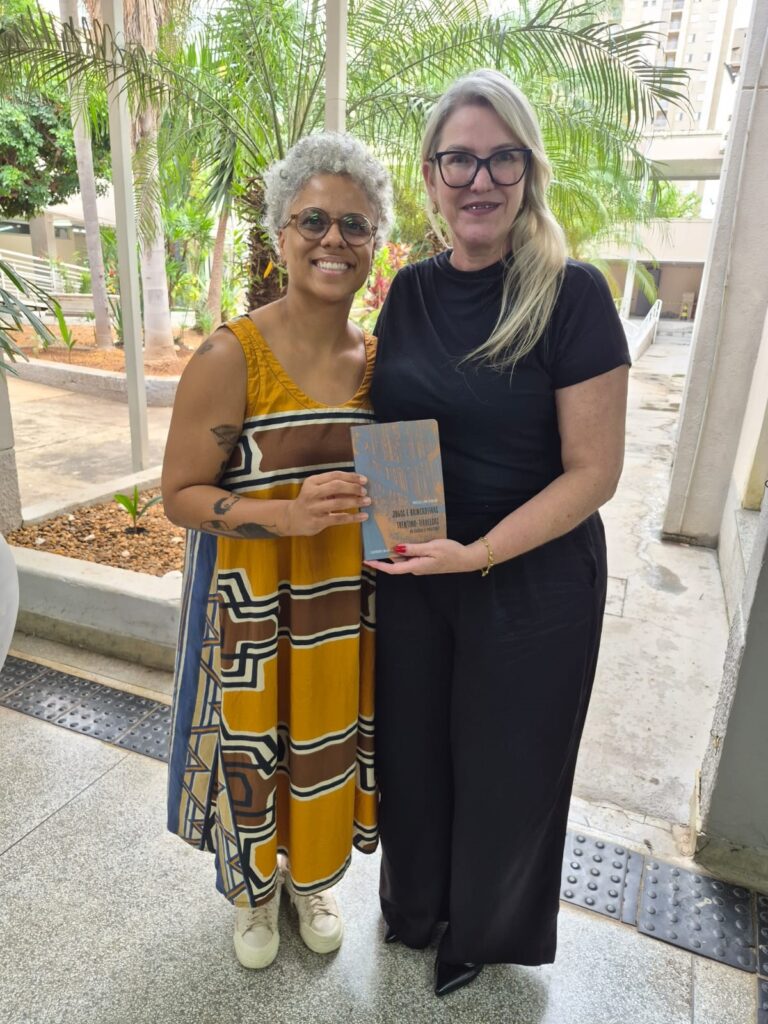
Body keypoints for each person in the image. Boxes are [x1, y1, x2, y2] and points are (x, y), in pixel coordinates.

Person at [366, 69, 631, 997]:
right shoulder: (407, 290)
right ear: (431, 176)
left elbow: (594, 472)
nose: (480, 179)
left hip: (530, 583)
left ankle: (479, 928)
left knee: (505, 769)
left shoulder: (572, 295)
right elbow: (390, 419)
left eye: (500, 158)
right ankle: (416, 904)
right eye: (459, 160)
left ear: (527, 170)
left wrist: (477, 554)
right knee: (413, 752)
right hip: (416, 573)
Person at [162, 133, 393, 970]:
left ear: (376, 242)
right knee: (257, 750)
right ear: (280, 232)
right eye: (314, 220)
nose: (334, 239)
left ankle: (308, 880)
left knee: (325, 742)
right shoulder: (232, 356)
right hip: (255, 610)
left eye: (355, 225)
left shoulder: (381, 360)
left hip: (344, 611)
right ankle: (254, 892)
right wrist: (286, 515)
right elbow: (180, 495)